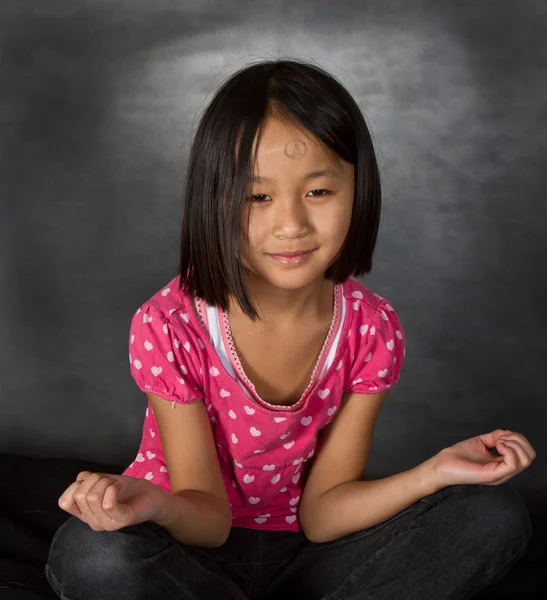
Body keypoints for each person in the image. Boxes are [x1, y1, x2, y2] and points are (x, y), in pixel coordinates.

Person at [45, 58, 535, 600]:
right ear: (215, 199)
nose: (291, 225)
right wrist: (152, 503)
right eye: (258, 196)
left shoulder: (372, 327)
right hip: (185, 543)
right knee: (92, 555)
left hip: (311, 554)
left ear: (359, 189)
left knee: (491, 515)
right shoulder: (170, 323)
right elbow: (207, 520)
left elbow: (326, 513)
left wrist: (436, 472)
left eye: (318, 192)